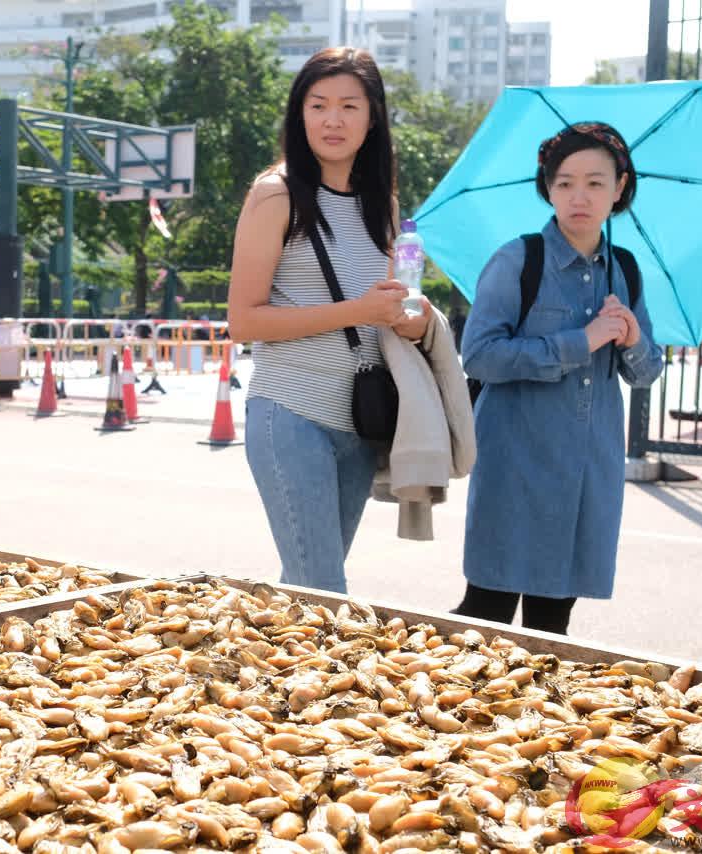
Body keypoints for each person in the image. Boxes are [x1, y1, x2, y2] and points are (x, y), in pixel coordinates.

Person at [227, 47, 429, 594]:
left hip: (360, 424)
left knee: (304, 590)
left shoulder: (381, 206)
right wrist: (358, 310)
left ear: (373, 118)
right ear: (300, 114)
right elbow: (242, 320)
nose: (333, 120)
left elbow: (384, 312)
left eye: (349, 106)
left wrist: (409, 317)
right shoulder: (276, 194)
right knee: (324, 593)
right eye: (318, 105)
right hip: (290, 414)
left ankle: (251, 670)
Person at [457, 122, 662, 635]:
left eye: (596, 182)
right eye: (565, 181)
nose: (579, 196)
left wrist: (632, 339)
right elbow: (479, 356)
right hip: (516, 467)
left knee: (553, 630)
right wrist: (582, 340)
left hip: (587, 474)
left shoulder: (626, 271)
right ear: (547, 187)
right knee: (488, 616)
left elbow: (646, 372)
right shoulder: (518, 260)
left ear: (620, 189)